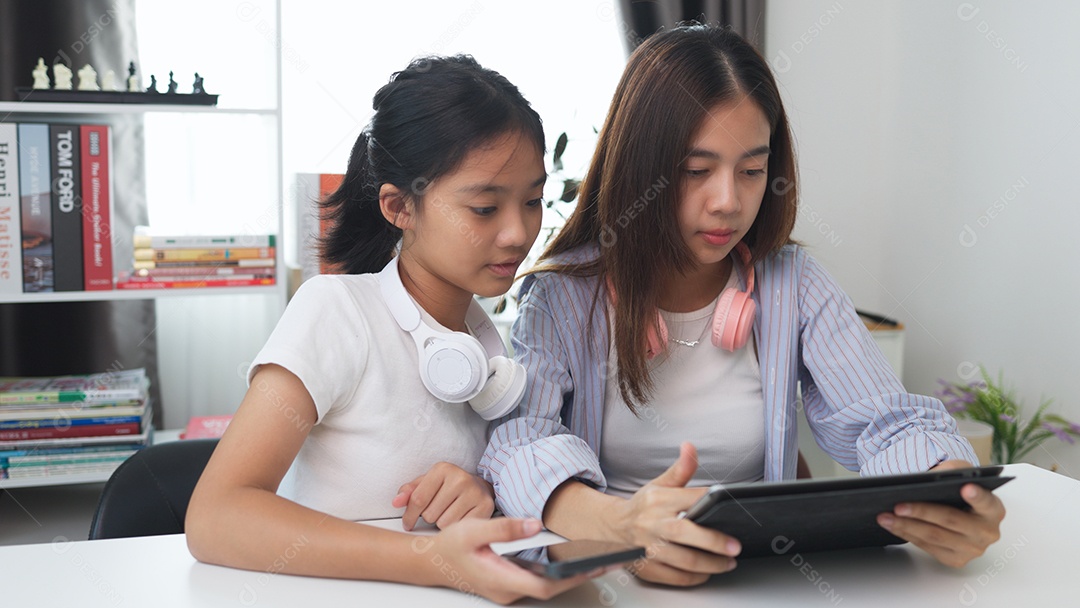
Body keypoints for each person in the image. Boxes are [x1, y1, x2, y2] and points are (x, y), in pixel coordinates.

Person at [481, 24, 1005, 587]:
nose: (729, 201)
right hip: (614, 577)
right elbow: (520, 445)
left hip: (760, 578)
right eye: (696, 171)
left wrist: (950, 488)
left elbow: (887, 420)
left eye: (752, 171)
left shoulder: (794, 284)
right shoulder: (563, 296)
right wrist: (623, 526)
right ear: (639, 169)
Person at [186, 55, 605, 604]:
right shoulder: (336, 312)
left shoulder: (486, 345)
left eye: (531, 201)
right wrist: (431, 562)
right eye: (483, 208)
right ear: (399, 207)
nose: (517, 232)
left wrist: (480, 495)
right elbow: (216, 515)